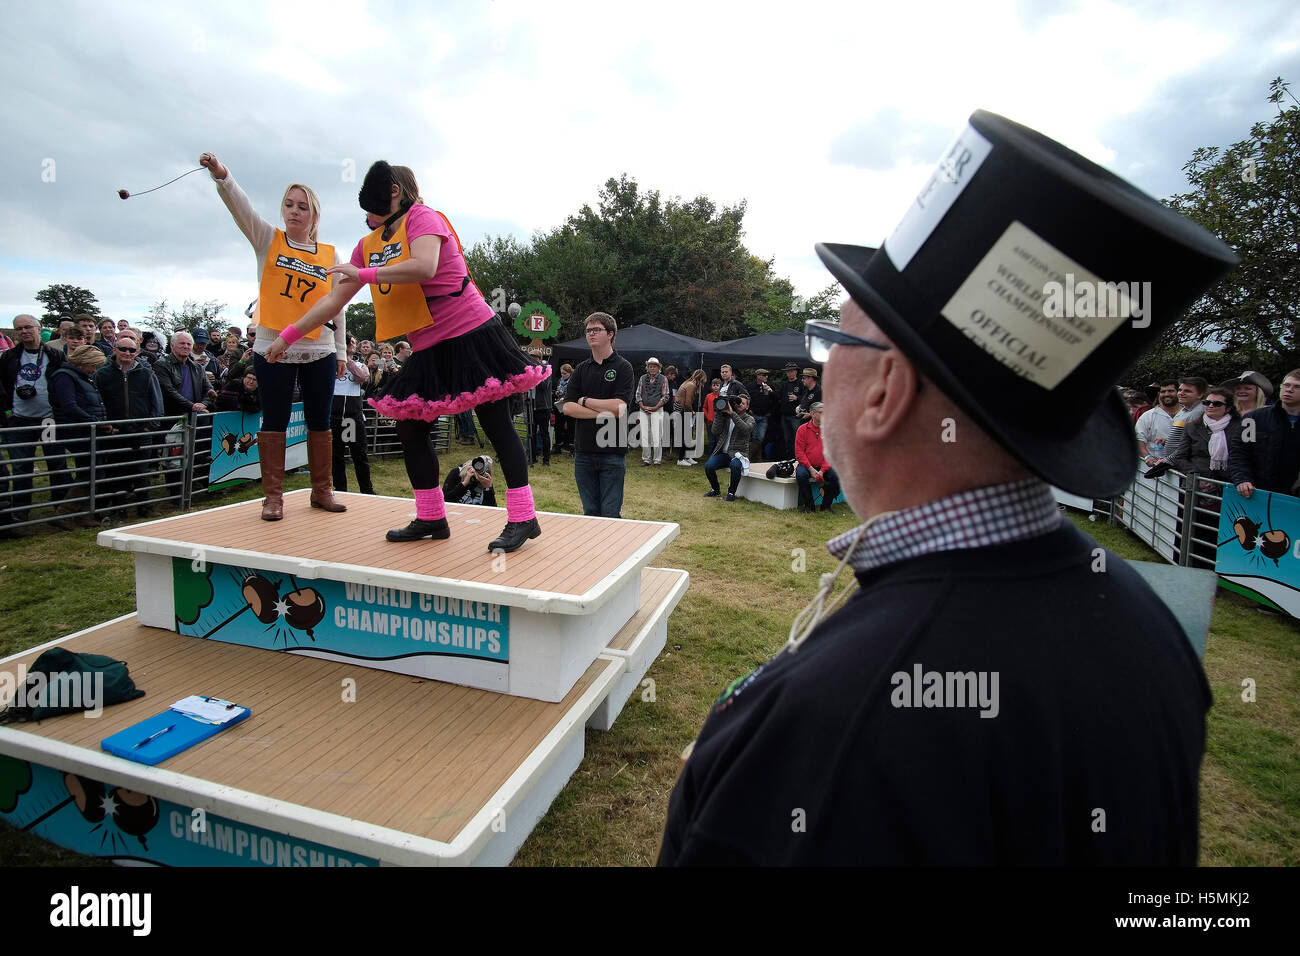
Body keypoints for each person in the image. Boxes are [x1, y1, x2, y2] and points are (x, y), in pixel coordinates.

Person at [660, 110, 1236, 865]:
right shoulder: (1148, 621)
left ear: (885, 390)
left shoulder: (832, 725)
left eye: (833, 340)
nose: (824, 366)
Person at [266, 161, 550, 552]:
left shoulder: (423, 218)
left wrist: (363, 275)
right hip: (429, 347)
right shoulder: (367, 247)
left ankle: (523, 517)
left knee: (496, 424)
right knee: (410, 427)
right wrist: (288, 336)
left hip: (471, 334)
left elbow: (424, 266)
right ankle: (432, 515)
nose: (364, 215)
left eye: (369, 203)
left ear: (393, 193)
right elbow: (333, 299)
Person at [200, 151, 349, 521]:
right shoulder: (268, 239)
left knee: (320, 420)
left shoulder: (330, 255)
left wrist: (342, 351)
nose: (294, 211)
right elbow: (242, 210)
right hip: (272, 348)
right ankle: (274, 497)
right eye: (289, 204)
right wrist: (223, 176)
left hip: (320, 348)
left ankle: (322, 490)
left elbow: (338, 305)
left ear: (314, 215)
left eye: (303, 207)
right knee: (274, 420)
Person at [557, 312, 634, 519]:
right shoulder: (581, 369)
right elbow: (567, 408)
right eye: (588, 330)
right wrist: (602, 411)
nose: (590, 334)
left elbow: (620, 408)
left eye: (596, 330)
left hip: (612, 452)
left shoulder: (623, 367)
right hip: (584, 451)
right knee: (590, 514)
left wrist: (585, 401)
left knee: (610, 514)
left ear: (610, 334)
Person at [0, 314, 70, 529]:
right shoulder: (9, 357)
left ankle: (61, 509)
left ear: (39, 328)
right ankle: (20, 514)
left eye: (28, 327)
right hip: (19, 420)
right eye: (19, 328)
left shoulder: (55, 355)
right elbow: (2, 386)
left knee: (56, 462)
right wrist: (8, 410)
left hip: (48, 419)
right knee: (21, 466)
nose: (23, 332)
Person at [94, 330, 164, 518]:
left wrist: (151, 425)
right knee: (116, 471)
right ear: (115, 350)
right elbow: (96, 402)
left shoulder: (147, 373)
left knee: (141, 471)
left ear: (137, 351)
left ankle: (145, 507)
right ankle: (119, 508)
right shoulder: (102, 374)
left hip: (141, 430)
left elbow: (157, 402)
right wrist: (104, 424)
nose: (127, 353)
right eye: (123, 349)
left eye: (131, 350)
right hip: (114, 432)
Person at [49, 344, 110, 525]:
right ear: (84, 362)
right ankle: (64, 514)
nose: (95, 369)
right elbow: (69, 406)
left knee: (92, 472)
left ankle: (82, 514)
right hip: (74, 430)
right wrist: (93, 420)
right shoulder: (64, 377)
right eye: (94, 365)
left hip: (86, 429)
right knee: (90, 472)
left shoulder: (83, 377)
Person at [1229, 369, 1300, 498]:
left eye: (1297, 387)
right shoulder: (1253, 418)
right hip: (1258, 493)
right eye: (1286, 385)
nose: (1289, 390)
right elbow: (1240, 451)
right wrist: (1242, 478)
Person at [332, 338, 375, 495]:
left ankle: (366, 489)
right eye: (349, 341)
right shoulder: (331, 362)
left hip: (352, 416)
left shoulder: (358, 364)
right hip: (335, 415)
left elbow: (362, 377)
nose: (352, 344)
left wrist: (346, 360)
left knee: (359, 454)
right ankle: (340, 488)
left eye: (353, 342)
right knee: (337, 455)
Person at [702, 391, 754, 502]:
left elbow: (745, 430)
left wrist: (732, 414)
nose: (740, 404)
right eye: (738, 402)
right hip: (724, 453)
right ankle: (715, 490)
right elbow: (715, 431)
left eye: (743, 403)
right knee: (708, 466)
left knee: (735, 466)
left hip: (738, 454)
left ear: (747, 406)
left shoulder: (750, 419)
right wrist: (720, 414)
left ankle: (731, 492)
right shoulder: (726, 417)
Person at [794, 402, 841, 514]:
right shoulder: (802, 429)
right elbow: (799, 453)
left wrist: (822, 470)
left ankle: (826, 506)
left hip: (824, 464)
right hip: (806, 465)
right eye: (822, 413)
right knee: (801, 475)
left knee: (836, 476)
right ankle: (809, 506)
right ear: (813, 414)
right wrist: (810, 468)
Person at [635, 357, 670, 466]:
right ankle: (646, 459)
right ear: (648, 367)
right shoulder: (642, 378)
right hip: (643, 409)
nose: (652, 368)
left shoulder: (663, 379)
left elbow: (666, 396)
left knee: (657, 434)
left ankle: (657, 460)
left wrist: (655, 407)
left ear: (658, 368)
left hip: (657, 409)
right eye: (650, 366)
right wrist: (642, 406)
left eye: (654, 366)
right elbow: (637, 394)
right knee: (645, 435)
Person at [1137, 379, 1178, 468]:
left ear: (1178, 393)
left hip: (1180, 467)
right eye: (1163, 391)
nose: (1167, 394)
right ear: (1159, 394)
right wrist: (1147, 456)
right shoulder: (1148, 416)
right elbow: (1139, 439)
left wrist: (1169, 442)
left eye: (1171, 391)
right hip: (1155, 468)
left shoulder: (1187, 414)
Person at [674, 369, 706, 466]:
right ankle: (680, 459)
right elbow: (688, 403)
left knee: (688, 434)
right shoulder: (692, 386)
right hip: (682, 411)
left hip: (680, 409)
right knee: (686, 435)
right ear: (701, 378)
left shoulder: (688, 382)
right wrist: (691, 412)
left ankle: (687, 456)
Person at [775, 361, 803, 458]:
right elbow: (778, 396)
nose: (789, 373)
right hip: (785, 415)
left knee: (797, 438)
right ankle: (790, 458)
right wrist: (770, 391)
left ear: (796, 372)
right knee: (787, 439)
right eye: (788, 371)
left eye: (791, 371)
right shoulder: (784, 384)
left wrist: (797, 398)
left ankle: (798, 458)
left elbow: (806, 397)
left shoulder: (801, 383)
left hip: (796, 416)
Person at [747, 368, 776, 459]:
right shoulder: (751, 387)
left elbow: (776, 399)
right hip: (753, 415)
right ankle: (756, 458)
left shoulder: (769, 386)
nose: (766, 376)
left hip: (764, 416)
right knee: (755, 437)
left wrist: (770, 391)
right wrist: (749, 409)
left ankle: (750, 457)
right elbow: (746, 399)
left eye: (767, 375)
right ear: (758, 376)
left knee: (760, 437)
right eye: (764, 375)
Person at [552, 363, 574, 453]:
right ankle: (558, 447)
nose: (563, 375)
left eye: (565, 373)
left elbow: (575, 393)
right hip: (559, 407)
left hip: (570, 407)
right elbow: (556, 391)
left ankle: (572, 449)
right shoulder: (559, 381)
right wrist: (556, 394)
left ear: (569, 373)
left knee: (571, 428)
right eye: (562, 373)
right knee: (558, 427)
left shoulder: (573, 381)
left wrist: (565, 398)